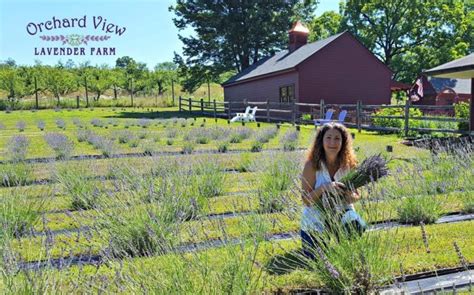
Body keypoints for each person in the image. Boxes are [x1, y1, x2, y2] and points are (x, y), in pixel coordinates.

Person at [300, 122, 366, 259]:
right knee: (315, 258)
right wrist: (325, 188)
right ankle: (318, 238)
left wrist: (349, 195)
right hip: (316, 217)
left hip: (342, 212)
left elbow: (357, 195)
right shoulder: (312, 165)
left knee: (357, 225)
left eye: (337, 139)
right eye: (328, 138)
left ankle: (343, 240)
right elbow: (306, 200)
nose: (332, 143)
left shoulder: (350, 165)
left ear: (343, 142)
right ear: (321, 141)